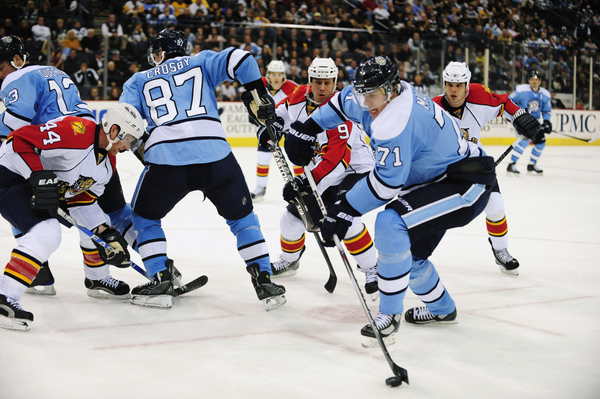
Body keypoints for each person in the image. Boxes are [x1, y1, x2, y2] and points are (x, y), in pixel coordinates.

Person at [283, 56, 539, 346]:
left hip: (464, 182)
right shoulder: (379, 92)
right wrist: (306, 128)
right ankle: (443, 310)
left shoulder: (397, 121)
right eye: (364, 93)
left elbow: (385, 184)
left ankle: (390, 316)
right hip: (435, 180)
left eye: (372, 95)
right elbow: (341, 103)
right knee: (412, 259)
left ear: (391, 90)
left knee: (390, 223)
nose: (366, 101)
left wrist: (343, 210)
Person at [119, 29, 286, 311]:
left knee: (144, 220)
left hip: (167, 161)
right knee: (243, 219)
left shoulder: (137, 80)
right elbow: (242, 58)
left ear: (160, 52)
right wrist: (258, 95)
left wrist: (147, 152)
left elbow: (126, 126)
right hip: (216, 157)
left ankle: (160, 278)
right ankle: (264, 280)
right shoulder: (201, 60)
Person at [0, 35, 136, 298]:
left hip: (61, 145)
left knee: (51, 212)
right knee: (78, 214)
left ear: (16, 60)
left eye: (1, 68)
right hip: (87, 142)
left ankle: (43, 273)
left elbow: (18, 130)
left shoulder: (15, 78)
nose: (1, 75)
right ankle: (91, 275)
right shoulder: (55, 72)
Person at [0, 103, 144, 331]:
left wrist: (105, 234)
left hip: (36, 186)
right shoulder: (75, 130)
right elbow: (18, 140)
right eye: (129, 139)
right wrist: (38, 175)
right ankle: (4, 295)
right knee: (47, 232)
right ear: (114, 130)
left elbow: (83, 201)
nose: (128, 147)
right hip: (11, 175)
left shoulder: (108, 165)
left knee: (98, 226)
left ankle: (97, 279)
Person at [266, 57, 378, 299]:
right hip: (323, 172)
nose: (322, 88)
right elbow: (281, 113)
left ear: (335, 82)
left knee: (345, 217)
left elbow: (338, 159)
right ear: (310, 80)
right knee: (292, 218)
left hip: (354, 169)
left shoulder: (341, 109)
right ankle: (289, 260)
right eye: (317, 82)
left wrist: (306, 183)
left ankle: (372, 268)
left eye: (327, 83)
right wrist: (272, 125)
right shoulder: (298, 95)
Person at [432, 62, 541, 276]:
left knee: (496, 204)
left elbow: (504, 104)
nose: (453, 90)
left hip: (475, 162)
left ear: (467, 85)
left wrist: (520, 117)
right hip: (443, 166)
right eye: (449, 84)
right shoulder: (433, 109)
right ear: (444, 84)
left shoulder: (480, 98)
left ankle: (500, 250)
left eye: (459, 85)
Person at [250, 60, 299, 201]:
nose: (276, 78)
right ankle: (260, 188)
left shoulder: (293, 88)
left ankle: (303, 188)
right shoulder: (258, 85)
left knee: (297, 159)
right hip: (270, 125)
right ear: (268, 74)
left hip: (291, 125)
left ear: (284, 75)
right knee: (263, 157)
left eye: (279, 74)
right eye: (273, 74)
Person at [507, 70, 552, 174]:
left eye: (536, 79)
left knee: (540, 143)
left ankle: (532, 164)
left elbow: (546, 110)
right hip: (523, 121)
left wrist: (547, 122)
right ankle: (512, 164)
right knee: (523, 142)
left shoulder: (545, 94)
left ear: (540, 81)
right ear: (529, 80)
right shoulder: (521, 90)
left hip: (535, 123)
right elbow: (509, 100)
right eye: (532, 79)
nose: (534, 81)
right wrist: (513, 114)